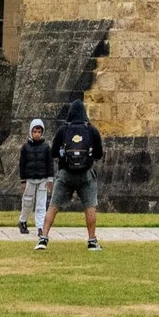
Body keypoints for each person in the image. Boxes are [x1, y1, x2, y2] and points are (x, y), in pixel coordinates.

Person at [51, 98, 104, 251]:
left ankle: (44, 238)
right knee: (90, 206)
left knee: (53, 206)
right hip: (85, 174)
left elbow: (53, 152)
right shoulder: (91, 129)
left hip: (65, 173)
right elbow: (99, 154)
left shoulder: (63, 129)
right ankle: (92, 240)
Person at [17, 117, 56, 246]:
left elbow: (50, 164)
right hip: (29, 178)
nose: (37, 134)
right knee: (27, 202)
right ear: (31, 132)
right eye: (35, 132)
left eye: (39, 132)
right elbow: (22, 164)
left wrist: (50, 179)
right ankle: (23, 220)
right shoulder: (25, 147)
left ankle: (40, 226)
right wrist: (23, 180)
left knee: (41, 204)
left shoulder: (46, 147)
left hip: (43, 179)